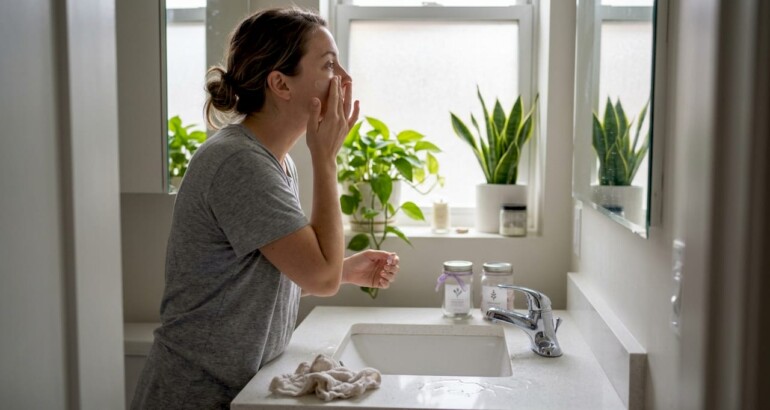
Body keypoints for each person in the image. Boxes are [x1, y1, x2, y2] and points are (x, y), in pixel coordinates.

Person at [131, 8, 399, 409]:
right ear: (280, 83)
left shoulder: (273, 161)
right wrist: (326, 159)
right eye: (328, 64)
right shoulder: (239, 163)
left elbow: (253, 280)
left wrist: (343, 269)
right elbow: (321, 280)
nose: (344, 79)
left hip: (230, 390)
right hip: (193, 395)